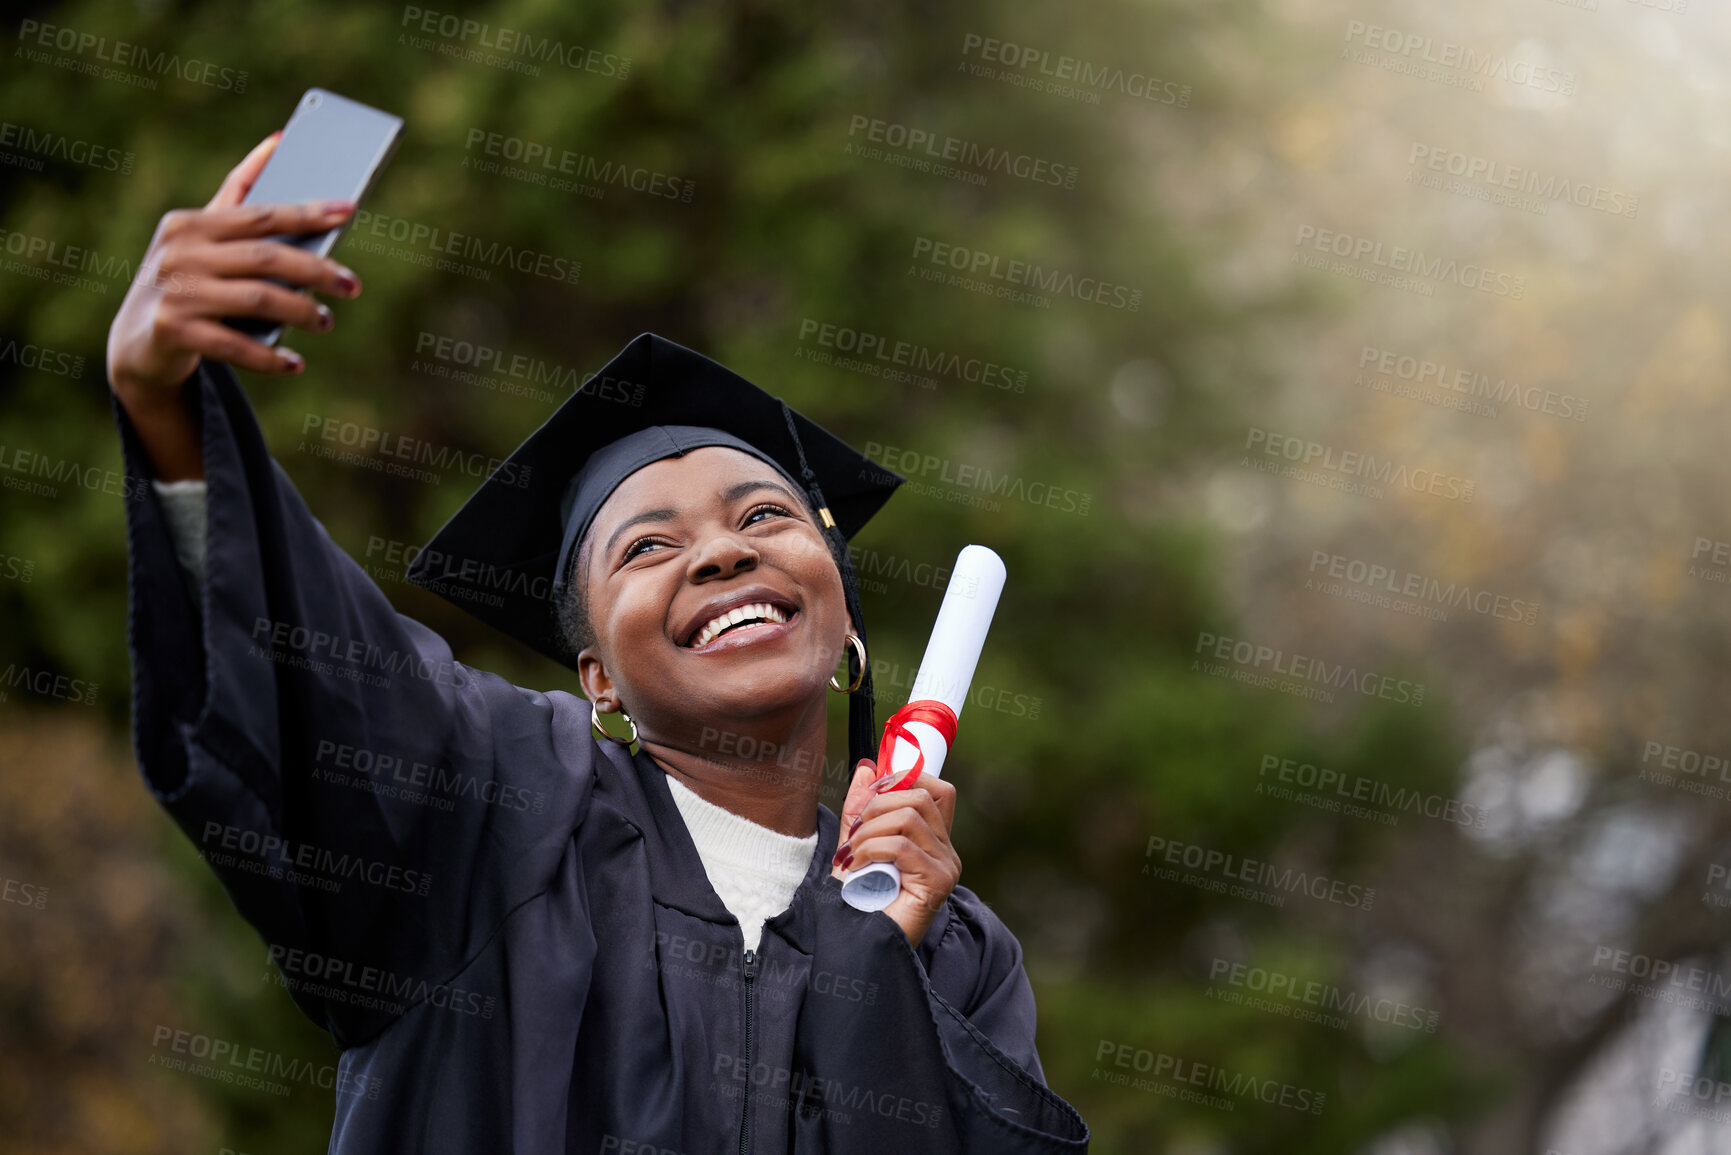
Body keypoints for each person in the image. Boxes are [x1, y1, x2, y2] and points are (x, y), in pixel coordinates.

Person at [105, 133, 1090, 1153]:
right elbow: (322, 664)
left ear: (841, 613)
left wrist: (878, 965)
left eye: (763, 517)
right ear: (598, 681)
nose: (720, 553)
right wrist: (171, 405)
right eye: (648, 547)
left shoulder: (960, 948)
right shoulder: (500, 810)